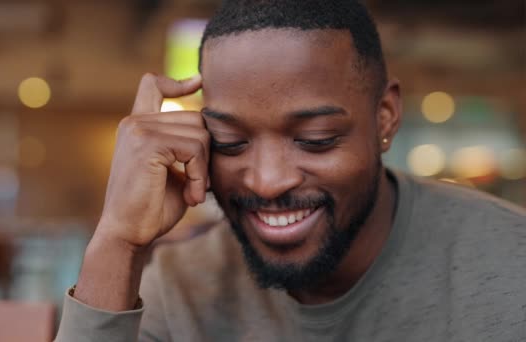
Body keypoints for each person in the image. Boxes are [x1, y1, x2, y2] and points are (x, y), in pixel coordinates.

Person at [56, 0, 526, 341]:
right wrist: (118, 240)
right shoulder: (183, 289)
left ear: (384, 117)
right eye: (230, 143)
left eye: (315, 140)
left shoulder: (509, 266)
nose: (267, 180)